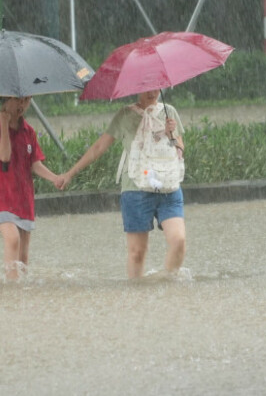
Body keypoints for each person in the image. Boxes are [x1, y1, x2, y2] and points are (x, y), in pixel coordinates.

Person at [58, 89, 186, 279]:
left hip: (167, 186)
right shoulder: (125, 115)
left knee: (179, 241)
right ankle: (136, 296)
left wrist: (171, 134)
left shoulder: (169, 112)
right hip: (136, 189)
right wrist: (70, 173)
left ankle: (168, 288)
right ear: (138, 88)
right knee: (137, 253)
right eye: (146, 87)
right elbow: (99, 147)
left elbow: (179, 150)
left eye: (155, 86)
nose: (152, 92)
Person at [0, 96, 63, 280]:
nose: (22, 105)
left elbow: (35, 164)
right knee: (12, 238)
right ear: (6, 99)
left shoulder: (28, 131)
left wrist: (54, 178)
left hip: (22, 197)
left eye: (27, 100)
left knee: (23, 257)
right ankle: (12, 292)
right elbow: (5, 155)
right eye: (18, 100)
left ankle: (22, 291)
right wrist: (3, 124)